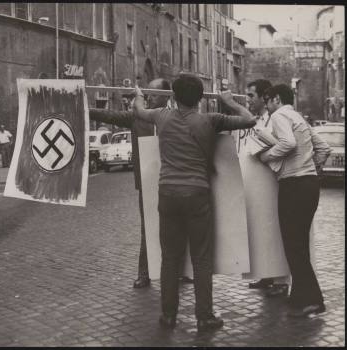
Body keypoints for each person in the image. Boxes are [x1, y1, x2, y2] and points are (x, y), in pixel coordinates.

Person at [133, 74, 256, 332]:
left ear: (174, 97)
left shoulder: (161, 116)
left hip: (167, 194)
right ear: (201, 98)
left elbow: (139, 110)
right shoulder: (209, 121)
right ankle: (204, 316)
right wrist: (229, 101)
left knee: (170, 258)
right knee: (201, 258)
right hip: (197, 194)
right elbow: (250, 119)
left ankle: (168, 316)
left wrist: (138, 96)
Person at [89, 79, 194, 288]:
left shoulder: (177, 116)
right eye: (146, 94)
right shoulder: (138, 118)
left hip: (173, 182)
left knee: (178, 226)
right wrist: (84, 108)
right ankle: (144, 273)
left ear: (166, 95)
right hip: (147, 184)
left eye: (153, 93)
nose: (149, 97)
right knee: (148, 229)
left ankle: (182, 270)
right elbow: (108, 115)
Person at [258, 84, 331, 317]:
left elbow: (288, 143)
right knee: (298, 245)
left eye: (268, 101)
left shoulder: (279, 115)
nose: (267, 107)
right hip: (309, 185)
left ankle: (314, 300)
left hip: (293, 186)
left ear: (277, 99)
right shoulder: (298, 116)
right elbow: (323, 148)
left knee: (294, 246)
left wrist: (268, 156)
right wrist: (311, 167)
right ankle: (299, 297)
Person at [244, 79, 290, 297]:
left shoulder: (276, 118)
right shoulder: (260, 118)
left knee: (277, 230)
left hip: (276, 183)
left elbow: (282, 145)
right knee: (263, 230)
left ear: (265, 98)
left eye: (251, 96)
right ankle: (267, 273)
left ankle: (281, 279)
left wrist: (266, 156)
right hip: (260, 186)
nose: (248, 100)